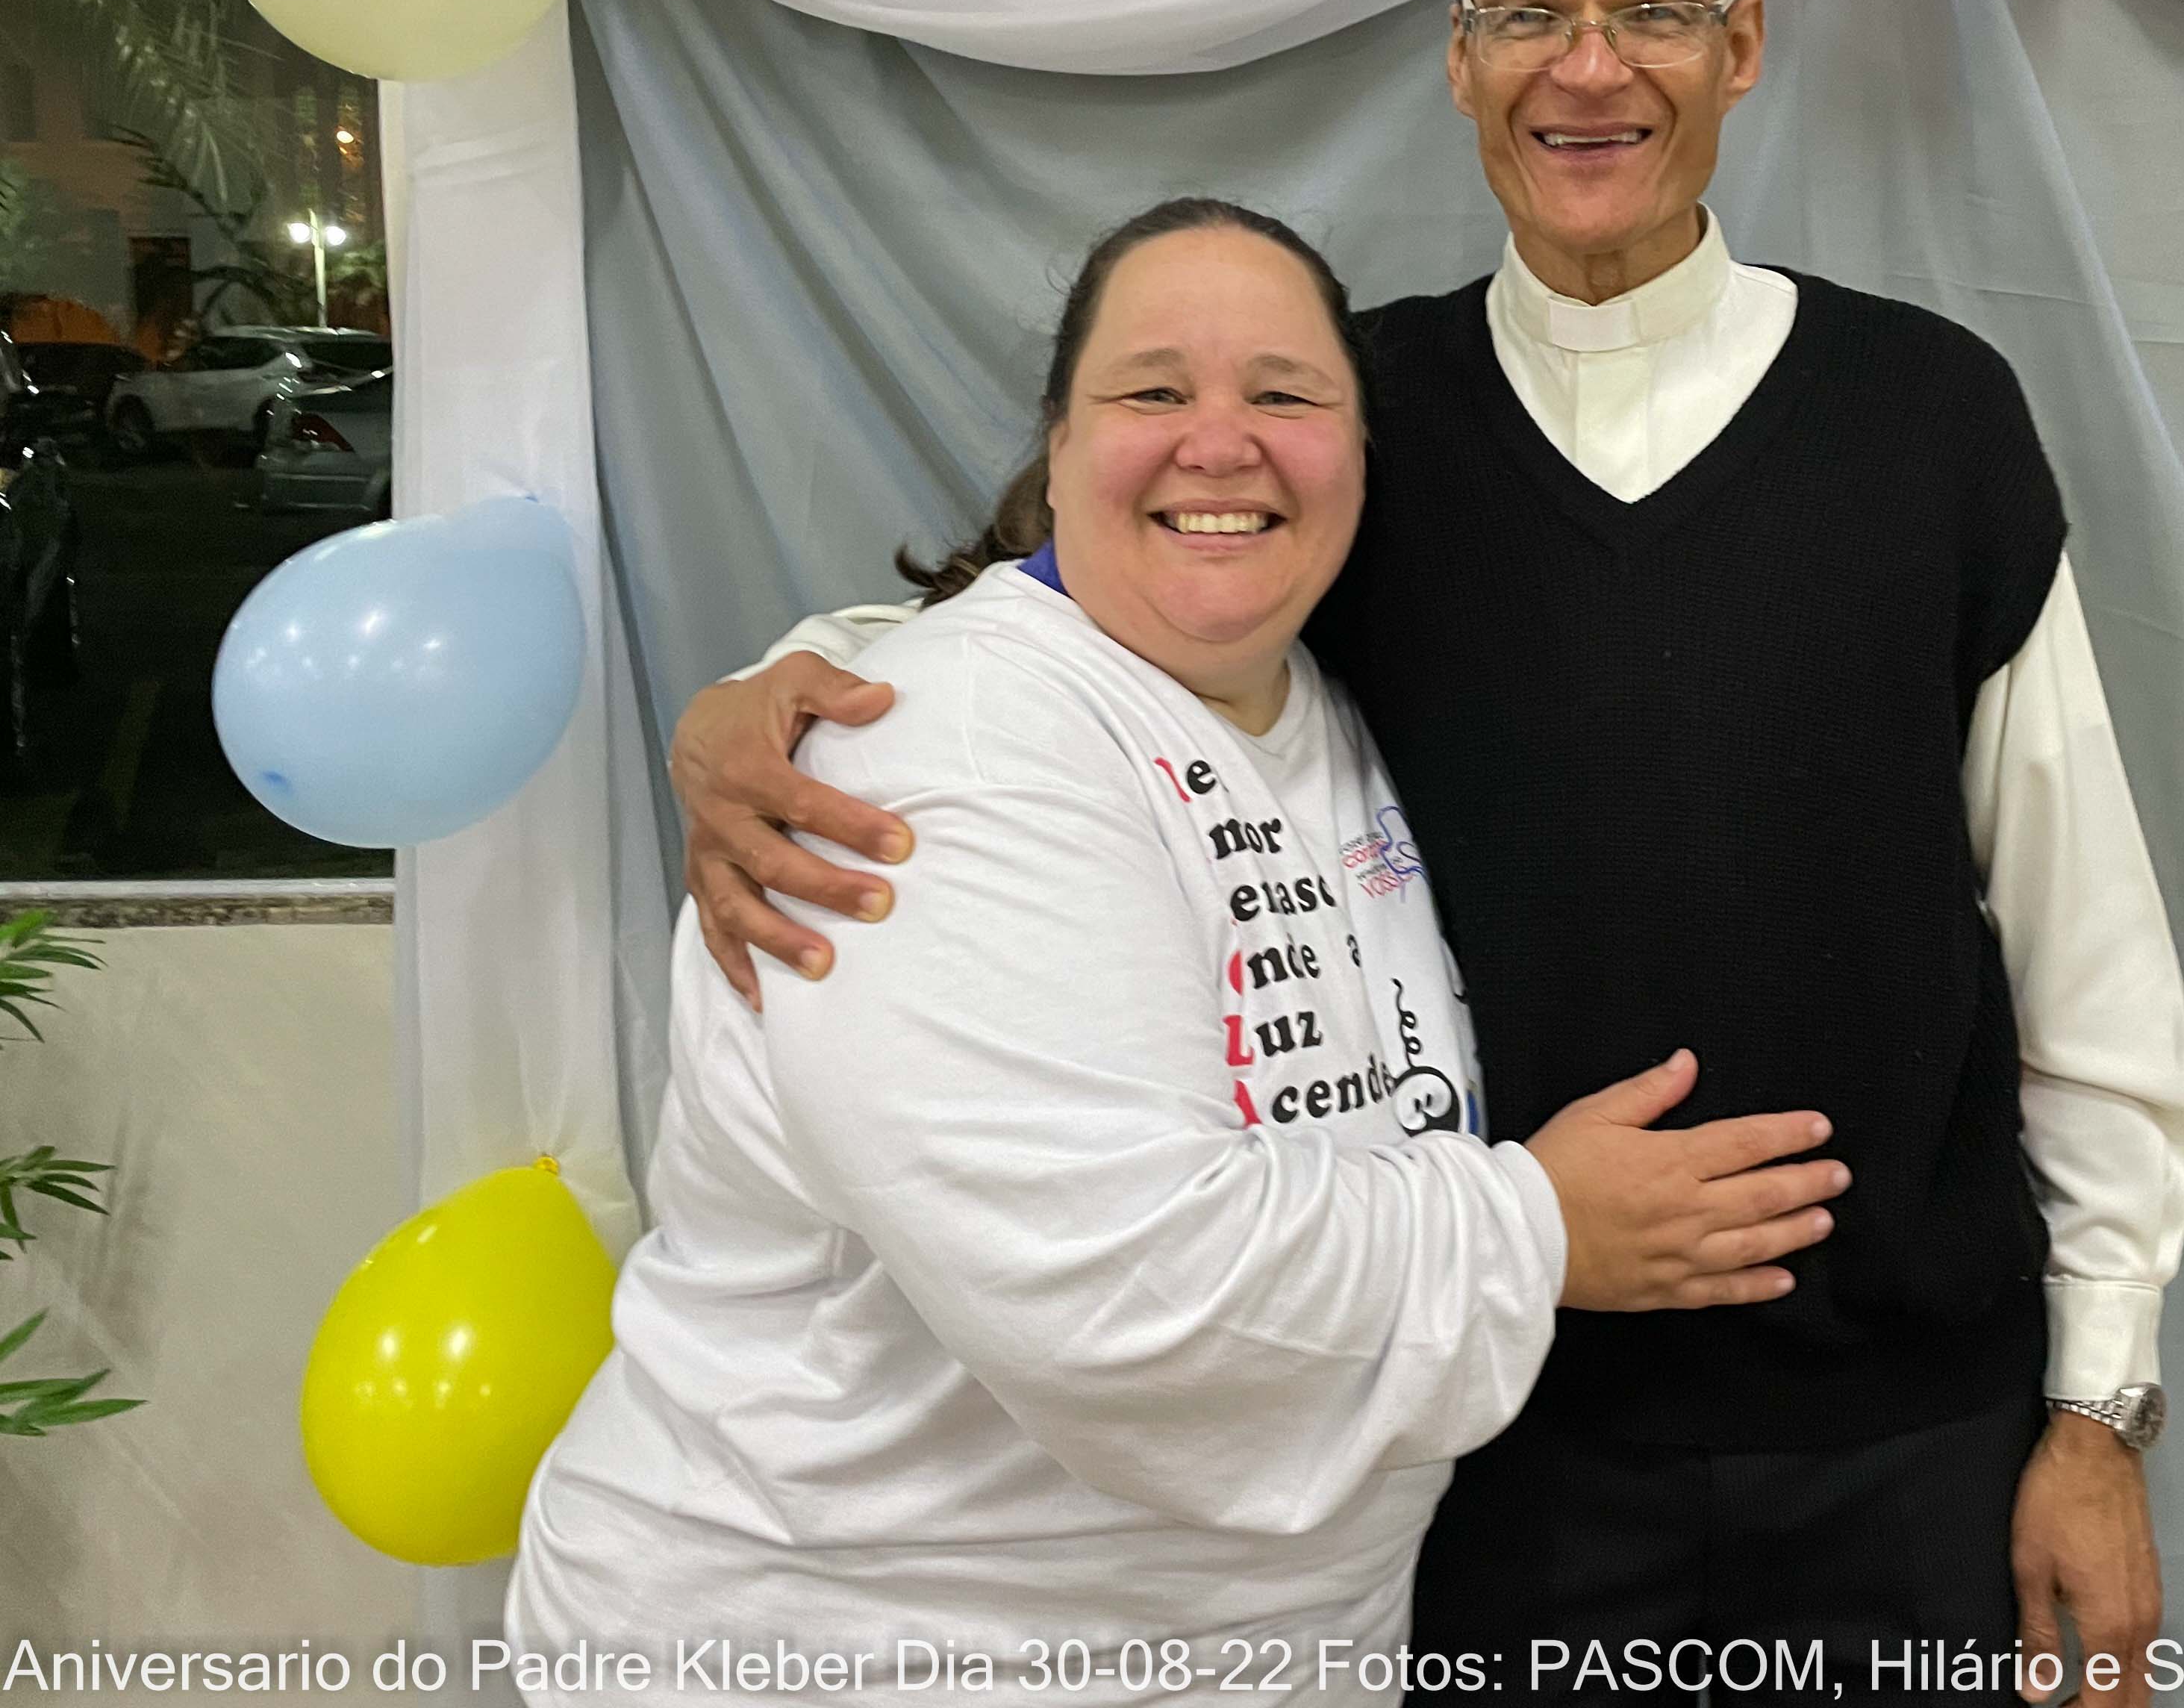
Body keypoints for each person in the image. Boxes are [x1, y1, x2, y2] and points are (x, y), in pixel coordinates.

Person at [677, 0, 2184, 1704]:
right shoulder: (1352, 422)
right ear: (1459, 56)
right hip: (1494, 1449)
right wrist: (776, 689)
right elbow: (1067, 607)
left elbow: (2090, 955)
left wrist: (2098, 1408)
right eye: (1528, 12)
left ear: (1741, 44)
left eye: (1653, 9)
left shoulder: (1931, 416)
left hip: (1911, 1440)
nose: (1591, 68)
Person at [507, 200, 1852, 1705]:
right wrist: (1540, 1228)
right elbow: (1121, 1294)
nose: (1222, 443)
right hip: (846, 1646)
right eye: (1154, 390)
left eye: (1286, 394)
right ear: (1061, 446)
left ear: (1361, 458)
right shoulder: (932, 757)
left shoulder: (1315, 706)